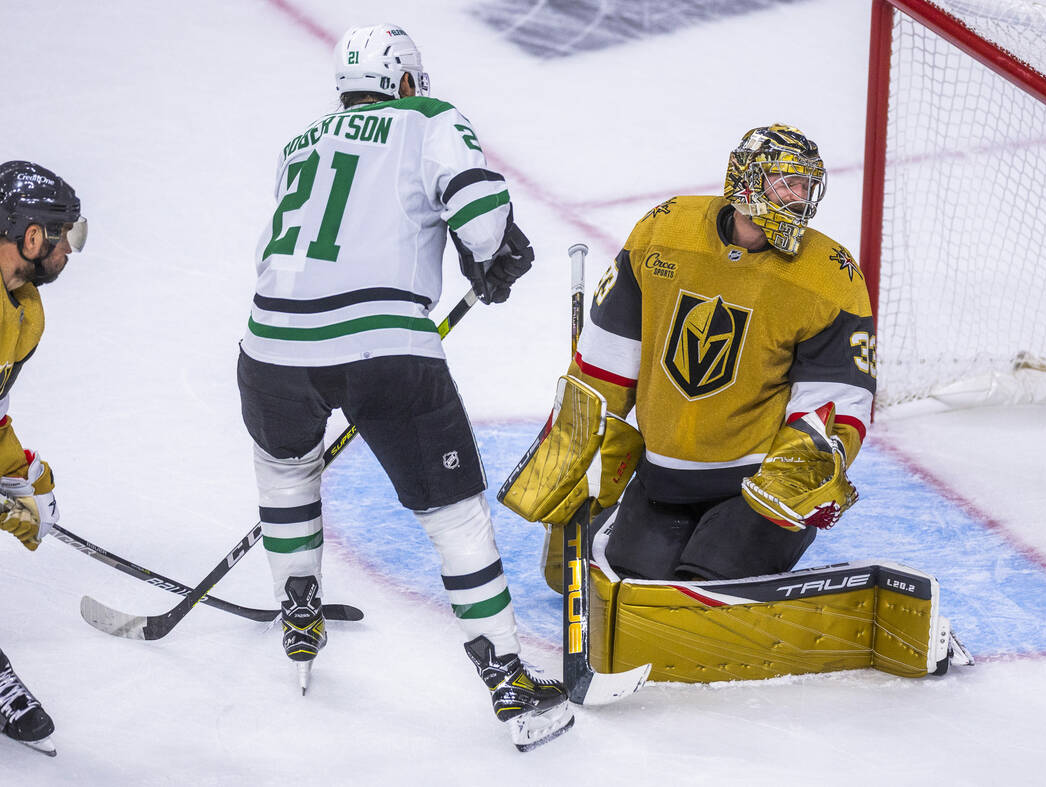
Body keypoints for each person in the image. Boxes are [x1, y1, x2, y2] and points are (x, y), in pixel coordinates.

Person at [237, 24, 571, 750]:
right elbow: (484, 223)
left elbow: (288, 247)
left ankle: (299, 608)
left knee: (287, 468)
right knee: (454, 517)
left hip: (269, 348)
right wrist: (493, 255)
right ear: (407, 81)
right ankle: (509, 681)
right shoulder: (430, 118)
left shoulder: (299, 144)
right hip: (384, 350)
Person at [558, 124, 876, 581]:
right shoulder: (664, 231)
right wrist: (575, 442)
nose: (799, 198)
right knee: (631, 586)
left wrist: (806, 468)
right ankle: (612, 525)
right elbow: (608, 357)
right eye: (787, 182)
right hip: (662, 476)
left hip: (755, 489)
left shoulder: (828, 276)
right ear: (745, 179)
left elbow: (839, 396)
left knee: (701, 597)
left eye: (807, 185)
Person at [0, 160, 88, 756]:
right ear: (33, 236)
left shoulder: (24, 312)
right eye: (64, 235)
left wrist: (14, 474)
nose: (67, 250)